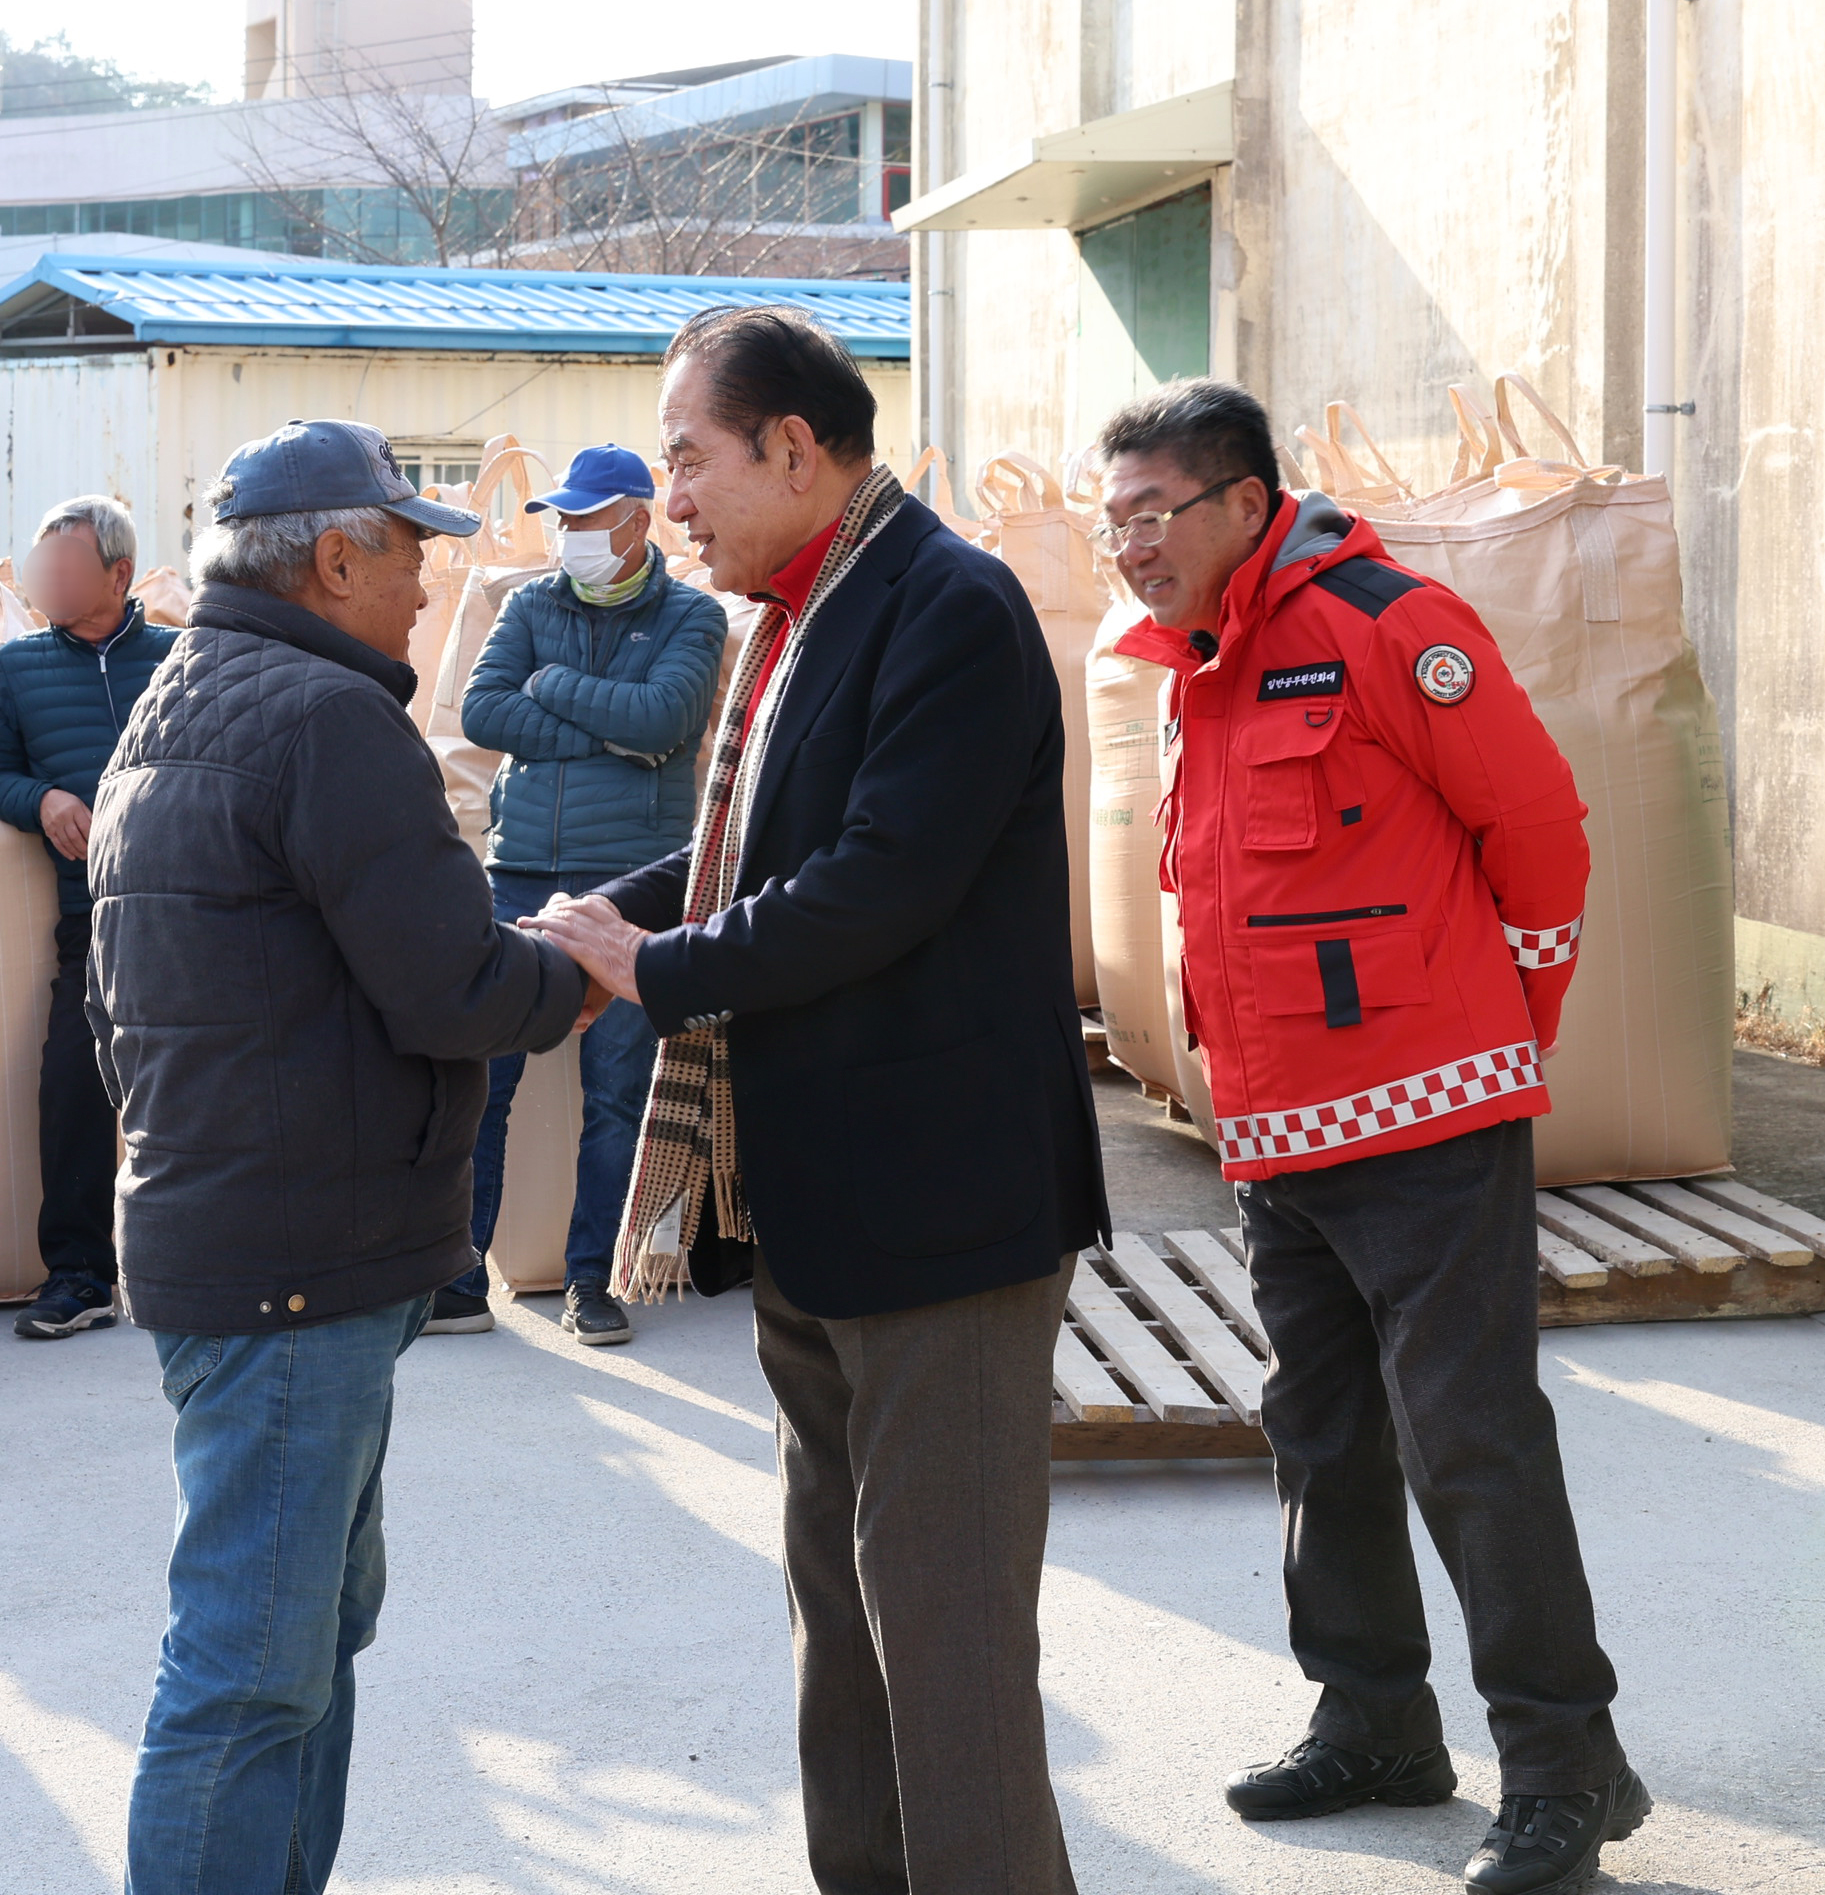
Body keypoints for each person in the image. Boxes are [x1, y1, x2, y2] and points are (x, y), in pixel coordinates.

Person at [536, 307, 1108, 1895]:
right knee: (841, 1621)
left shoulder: (947, 605)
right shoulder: (792, 617)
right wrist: (592, 928)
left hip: (944, 1215)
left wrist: (653, 969)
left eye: (691, 458)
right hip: (814, 1202)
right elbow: (745, 863)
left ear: (796, 448)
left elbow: (877, 885)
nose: (672, 499)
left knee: (949, 1643)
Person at [1093, 378, 1645, 1893]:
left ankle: (1562, 1767)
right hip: (1277, 1129)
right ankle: (1378, 1721)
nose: (1128, 542)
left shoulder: (1394, 629)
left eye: (1156, 512)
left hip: (1426, 1114)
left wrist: (1496, 1038)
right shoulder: (1193, 667)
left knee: (1469, 1439)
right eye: (1114, 515)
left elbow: (1540, 835)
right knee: (1319, 1432)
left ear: (1248, 504)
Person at [88, 420, 597, 1895]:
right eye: (411, 554)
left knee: (302, 1646)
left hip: (235, 1236)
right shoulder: (325, 720)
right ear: (333, 558)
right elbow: (454, 989)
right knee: (252, 1669)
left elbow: (116, 1008)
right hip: (293, 1270)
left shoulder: (179, 696)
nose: (431, 590)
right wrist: (587, 967)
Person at [446, 441, 724, 1346]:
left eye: (583, 520)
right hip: (521, 868)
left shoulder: (692, 615)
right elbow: (485, 712)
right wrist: (613, 728)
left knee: (616, 1096)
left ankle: (592, 1281)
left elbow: (666, 720)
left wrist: (555, 686)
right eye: (560, 522)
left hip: (633, 883)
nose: (567, 536)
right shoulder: (529, 602)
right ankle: (459, 1275)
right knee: (485, 1080)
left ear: (637, 520)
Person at [0, 492, 179, 1340]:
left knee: (217, 1088)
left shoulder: (180, 655)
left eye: (66, 568)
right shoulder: (15, 669)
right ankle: (82, 1275)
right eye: (40, 567)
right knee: (75, 1088)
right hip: (89, 915)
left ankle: (205, 1267)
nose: (47, 582)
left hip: (194, 910)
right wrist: (42, 796)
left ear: (119, 574)